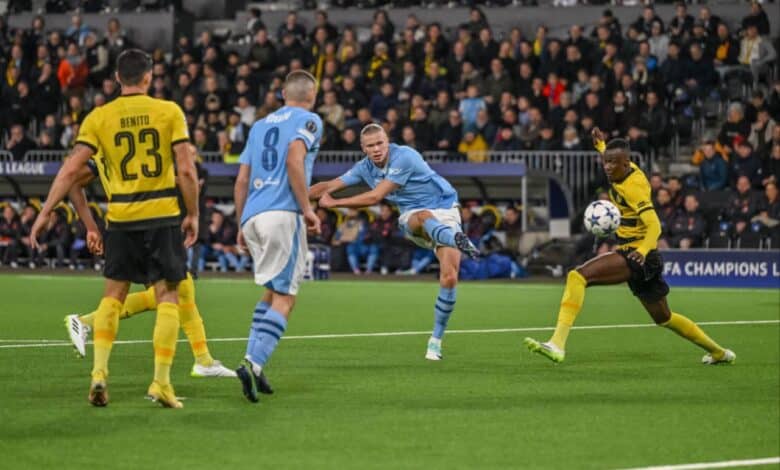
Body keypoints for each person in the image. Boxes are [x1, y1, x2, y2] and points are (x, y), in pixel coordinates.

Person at [29, 49, 200, 408]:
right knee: (168, 296)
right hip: (162, 214)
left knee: (113, 296)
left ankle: (99, 374)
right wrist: (193, 214)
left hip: (120, 220)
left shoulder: (99, 117)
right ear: (149, 78)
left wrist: (46, 210)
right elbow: (186, 169)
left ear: (117, 79)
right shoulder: (169, 112)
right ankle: (160, 383)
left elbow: (71, 171)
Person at [524, 128, 735, 365]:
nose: (607, 167)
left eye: (613, 163)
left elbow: (655, 226)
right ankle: (719, 352)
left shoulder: (634, 187)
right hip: (638, 254)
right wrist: (602, 147)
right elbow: (612, 157)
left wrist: (642, 251)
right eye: (606, 162)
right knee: (664, 318)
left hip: (638, 254)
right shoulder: (620, 169)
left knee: (577, 276)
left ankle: (557, 344)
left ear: (626, 164)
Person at [310, 124, 480, 361]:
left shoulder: (406, 156)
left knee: (449, 277)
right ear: (363, 148)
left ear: (387, 141)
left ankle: (435, 341)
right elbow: (328, 186)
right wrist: (295, 196)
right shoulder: (364, 168)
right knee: (423, 217)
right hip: (413, 216)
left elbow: (375, 197)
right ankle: (457, 239)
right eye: (371, 146)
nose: (377, 149)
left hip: (445, 209)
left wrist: (335, 204)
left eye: (380, 143)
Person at [63, 150, 235, 379]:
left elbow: (73, 179)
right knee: (168, 291)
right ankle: (87, 325)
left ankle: (203, 360)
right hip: (143, 224)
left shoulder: (104, 143)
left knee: (180, 288)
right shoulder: (115, 138)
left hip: (125, 225)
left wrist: (90, 225)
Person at [233, 70, 322, 403]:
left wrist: (242, 222)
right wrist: (307, 208)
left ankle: (254, 366)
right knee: (287, 297)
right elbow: (294, 159)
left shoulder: (259, 125)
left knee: (271, 293)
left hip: (254, 214)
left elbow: (242, 179)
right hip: (283, 215)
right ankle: (253, 361)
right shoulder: (310, 120)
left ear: (283, 94)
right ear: (312, 96)